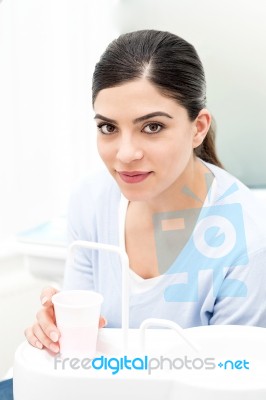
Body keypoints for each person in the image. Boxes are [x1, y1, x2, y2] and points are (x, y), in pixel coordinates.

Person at [24, 29, 266, 355]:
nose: (125, 154)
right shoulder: (91, 200)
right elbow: (82, 350)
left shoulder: (247, 242)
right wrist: (60, 328)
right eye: (108, 127)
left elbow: (229, 377)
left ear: (198, 127)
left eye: (152, 127)